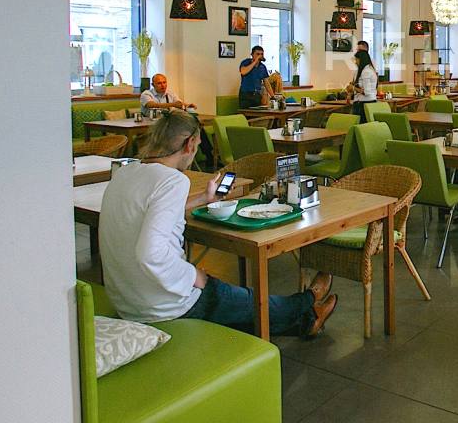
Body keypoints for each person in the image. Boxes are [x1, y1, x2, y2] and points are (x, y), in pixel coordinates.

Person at [99, 110, 338, 336]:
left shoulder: (125, 173)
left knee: (238, 311)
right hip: (162, 305)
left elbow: (149, 212)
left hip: (126, 301)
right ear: (190, 144)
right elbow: (150, 254)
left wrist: (204, 199)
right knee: (249, 301)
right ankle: (309, 300)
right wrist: (193, 275)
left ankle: (308, 321)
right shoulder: (172, 181)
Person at [349, 49, 377, 121]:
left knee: (362, 125)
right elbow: (356, 85)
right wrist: (351, 90)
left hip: (365, 103)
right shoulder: (363, 71)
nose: (355, 62)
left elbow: (367, 92)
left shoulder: (366, 72)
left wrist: (353, 88)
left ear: (362, 60)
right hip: (362, 102)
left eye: (357, 60)